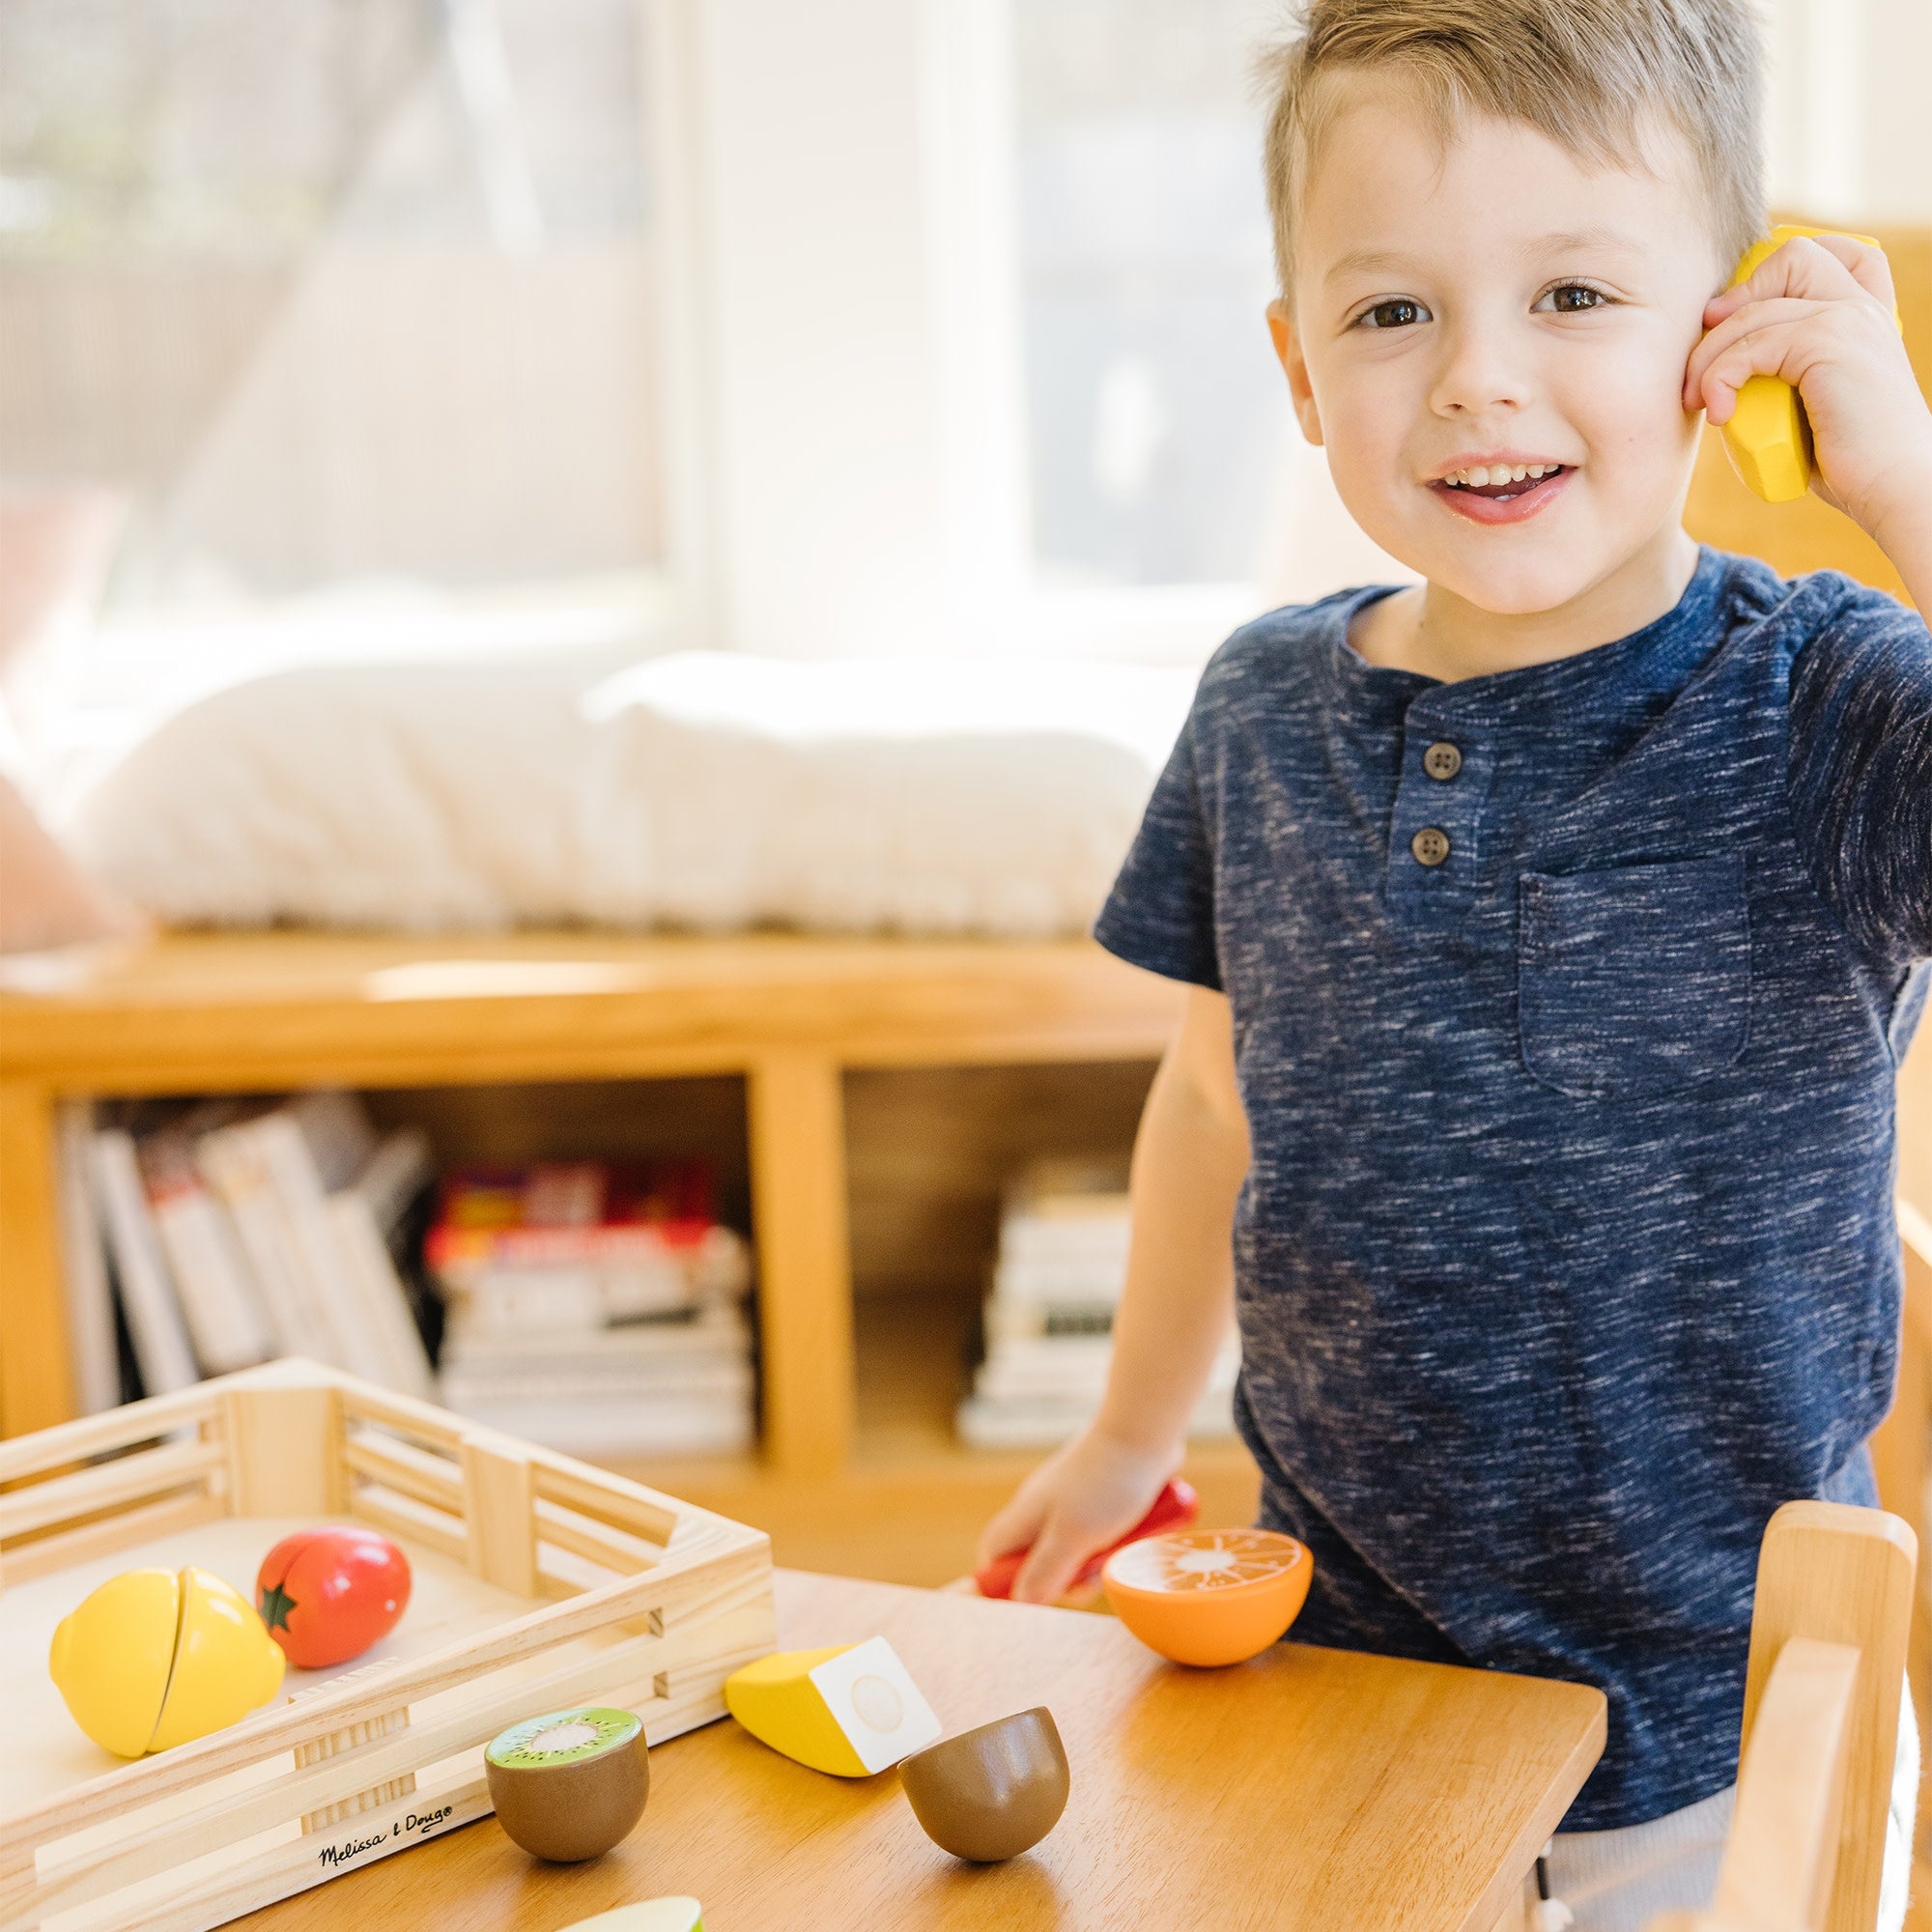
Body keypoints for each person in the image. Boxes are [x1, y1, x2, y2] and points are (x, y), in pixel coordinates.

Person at [976, 2, 1932, 1924]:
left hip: (1712, 1720)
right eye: (1392, 312)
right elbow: (1207, 1099)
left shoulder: (1836, 697)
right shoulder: (1259, 710)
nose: (1477, 382)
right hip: (1335, 1672)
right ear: (1298, 368)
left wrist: (1899, 478)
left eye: (1573, 292)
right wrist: (1122, 1431)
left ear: (1721, 338)